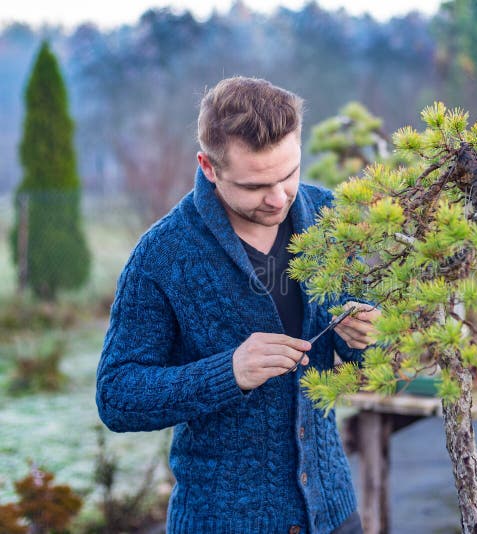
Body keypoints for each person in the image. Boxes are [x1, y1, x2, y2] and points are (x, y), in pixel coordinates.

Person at [96, 76, 380, 534]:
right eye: (255, 185)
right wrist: (228, 373)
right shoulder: (163, 256)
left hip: (333, 514)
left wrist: (369, 337)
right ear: (209, 167)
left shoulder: (333, 220)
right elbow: (117, 395)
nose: (278, 197)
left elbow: (376, 361)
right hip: (222, 522)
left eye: (288, 174)